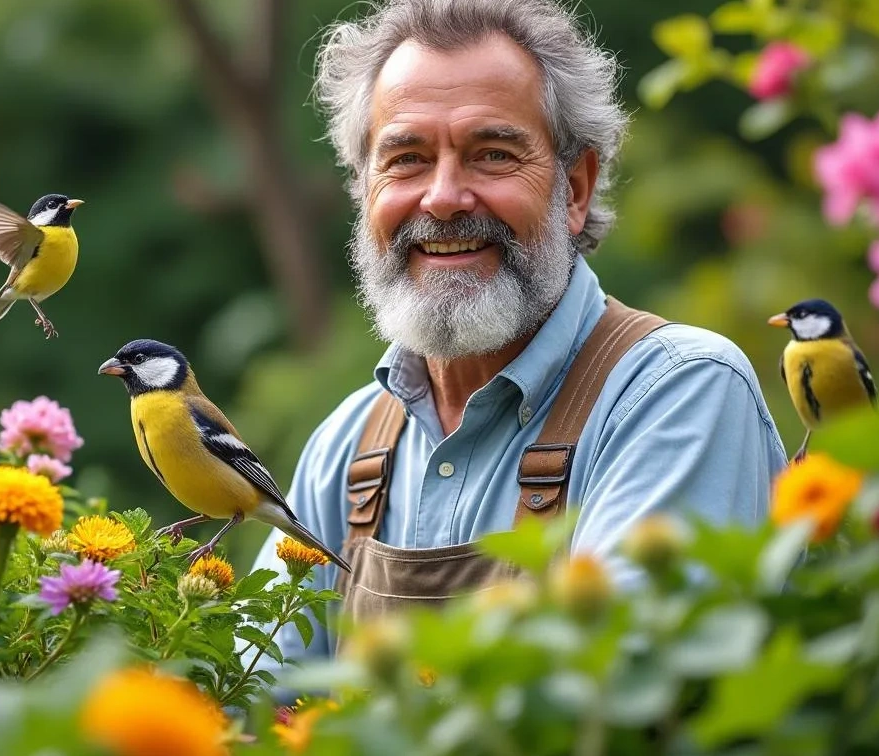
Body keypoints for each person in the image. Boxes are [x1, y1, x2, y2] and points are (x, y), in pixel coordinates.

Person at [246, 0, 789, 667]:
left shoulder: (679, 395)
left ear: (575, 189)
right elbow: (247, 699)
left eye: (493, 155)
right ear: (364, 190)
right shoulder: (344, 449)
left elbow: (621, 695)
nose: (443, 198)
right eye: (407, 159)